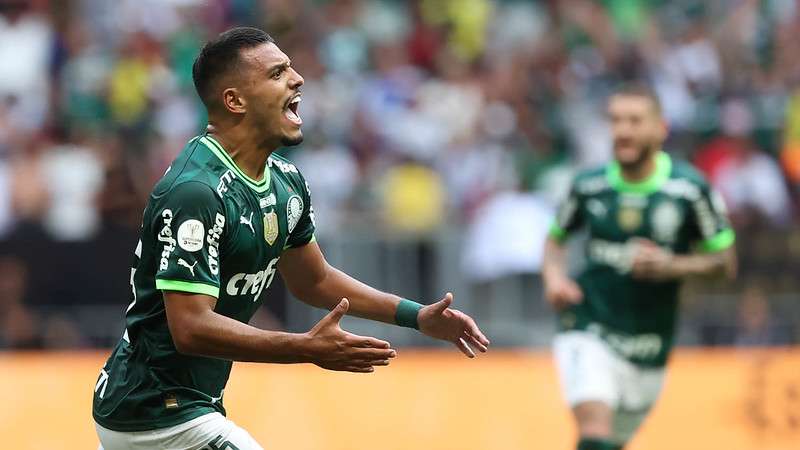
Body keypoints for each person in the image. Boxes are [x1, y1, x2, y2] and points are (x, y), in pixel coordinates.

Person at [92, 27, 490, 450]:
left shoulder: (285, 180)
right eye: (278, 73)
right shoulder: (197, 192)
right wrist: (306, 348)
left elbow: (312, 280)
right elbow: (189, 327)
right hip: (155, 412)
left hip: (186, 405)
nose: (297, 79)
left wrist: (415, 315)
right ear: (235, 100)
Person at [542, 85, 736, 450]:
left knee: (612, 442)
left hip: (650, 342)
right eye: (616, 121)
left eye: (634, 121)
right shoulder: (588, 186)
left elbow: (725, 263)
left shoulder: (690, 190)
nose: (623, 130)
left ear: (660, 129)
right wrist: (555, 278)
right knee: (594, 428)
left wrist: (673, 265)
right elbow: (555, 240)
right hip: (588, 323)